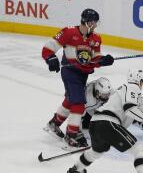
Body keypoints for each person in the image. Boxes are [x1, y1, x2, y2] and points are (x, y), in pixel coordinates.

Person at [66, 69, 143, 173]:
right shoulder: (132, 87)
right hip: (108, 123)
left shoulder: (122, 92)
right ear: (139, 81)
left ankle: (76, 168)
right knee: (138, 149)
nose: (142, 85)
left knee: (96, 152)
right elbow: (130, 109)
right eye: (142, 82)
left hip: (95, 124)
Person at [42, 8, 114, 147]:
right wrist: (51, 58)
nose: (95, 25)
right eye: (92, 22)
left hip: (83, 74)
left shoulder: (96, 38)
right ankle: (71, 135)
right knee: (79, 102)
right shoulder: (69, 32)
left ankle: (54, 123)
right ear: (85, 21)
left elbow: (94, 58)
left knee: (71, 100)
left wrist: (104, 60)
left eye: (96, 22)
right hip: (70, 72)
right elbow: (48, 47)